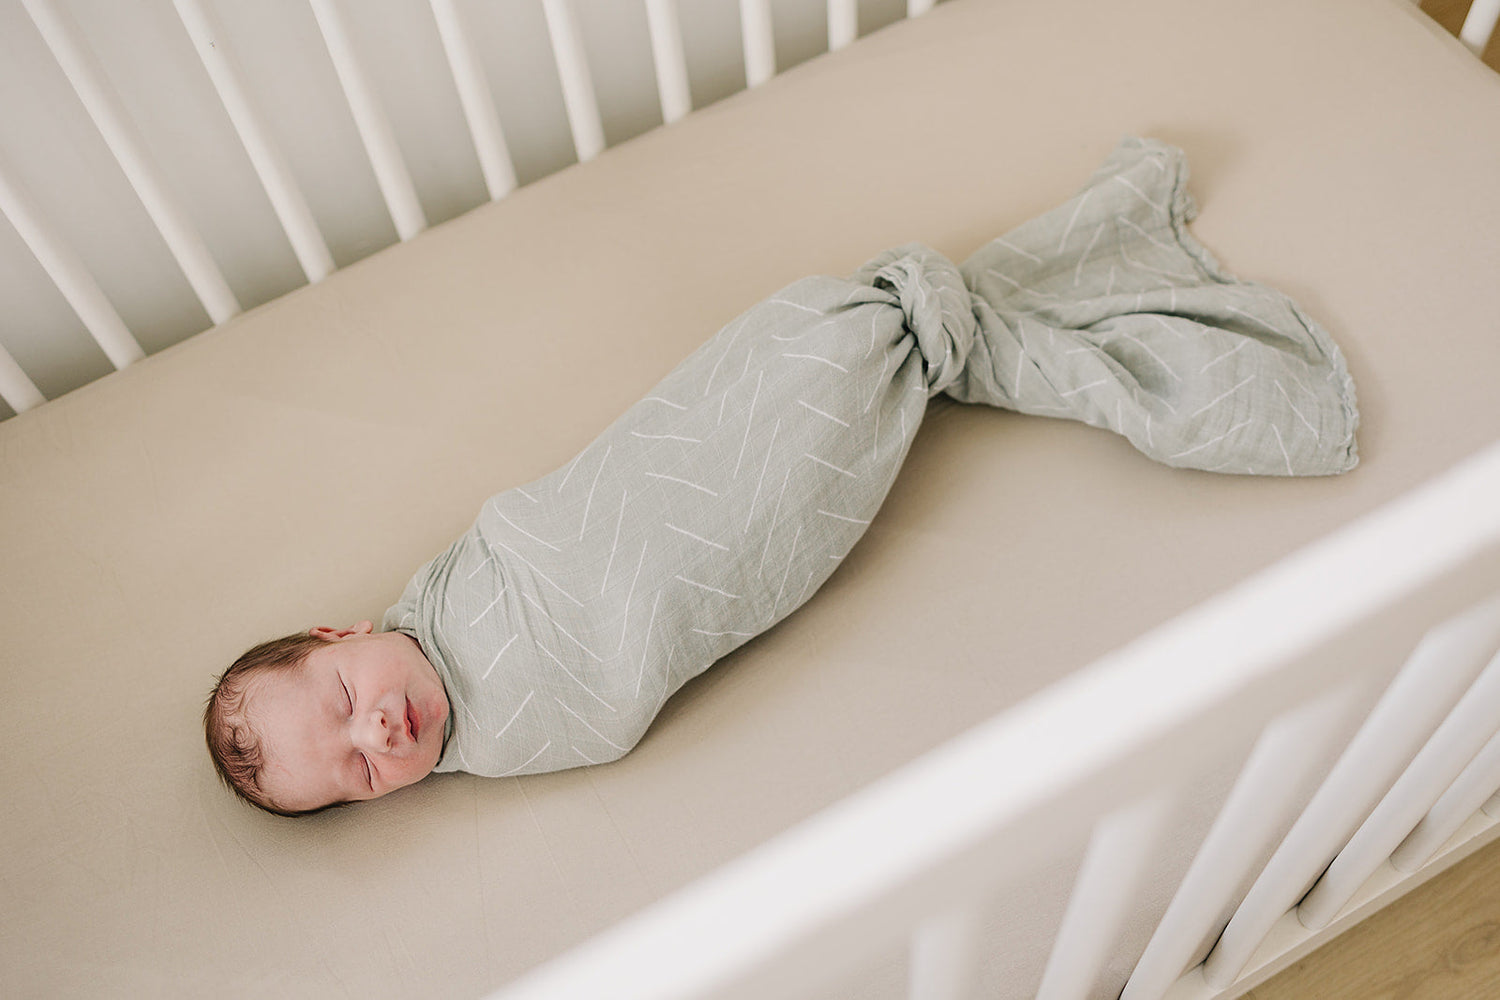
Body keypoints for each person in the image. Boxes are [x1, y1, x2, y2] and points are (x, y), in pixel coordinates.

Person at [204, 137, 1358, 816]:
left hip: (698, 432)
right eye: (357, 772)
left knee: (793, 365)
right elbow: (629, 661)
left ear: (343, 629)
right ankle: (908, 345)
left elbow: (590, 499)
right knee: (816, 440)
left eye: (344, 699)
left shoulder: (448, 584)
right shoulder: (505, 744)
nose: (381, 732)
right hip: (747, 529)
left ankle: (876, 334)